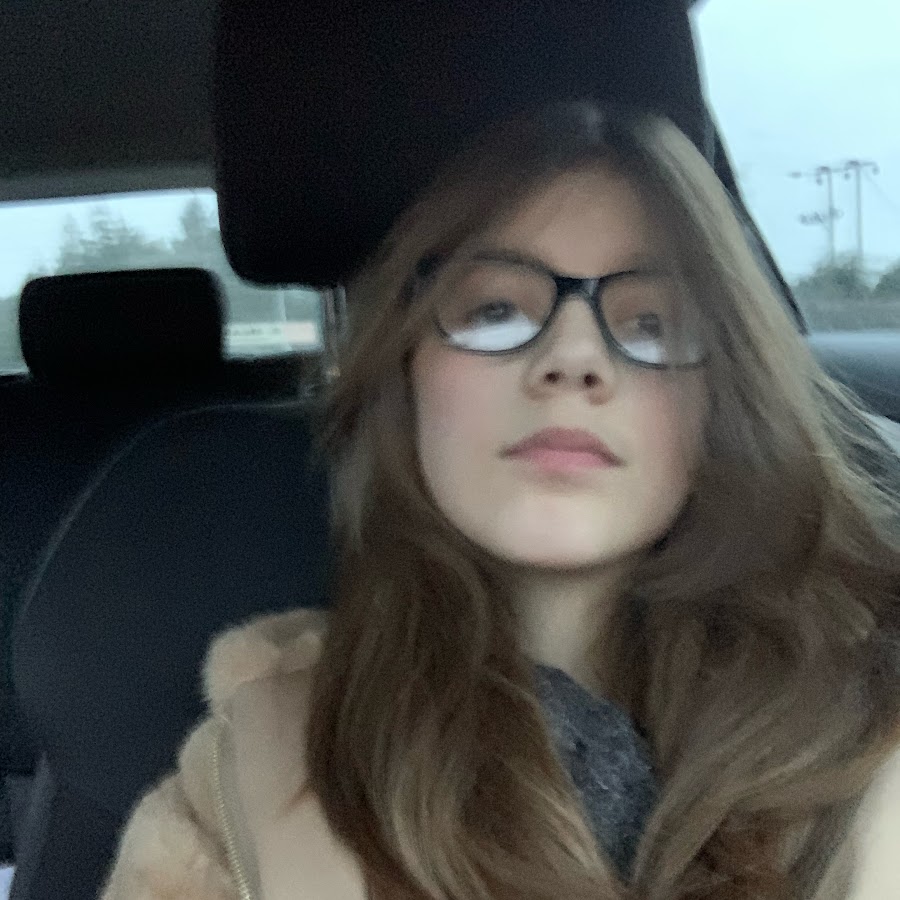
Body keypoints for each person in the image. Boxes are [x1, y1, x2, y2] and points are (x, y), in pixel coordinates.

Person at [98, 102, 900, 900]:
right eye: (496, 311)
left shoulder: (871, 741)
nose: (574, 357)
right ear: (406, 376)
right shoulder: (251, 783)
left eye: (652, 324)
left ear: (721, 401)